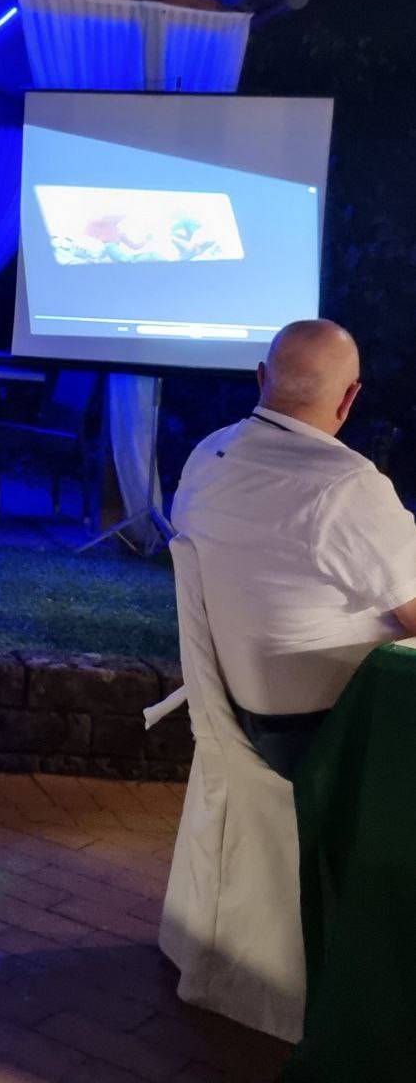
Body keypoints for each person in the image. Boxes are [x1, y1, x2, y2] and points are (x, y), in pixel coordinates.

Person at [171, 318, 416, 779]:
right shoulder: (344, 487)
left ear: (262, 376)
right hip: (331, 733)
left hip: (243, 718)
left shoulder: (208, 456)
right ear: (349, 397)